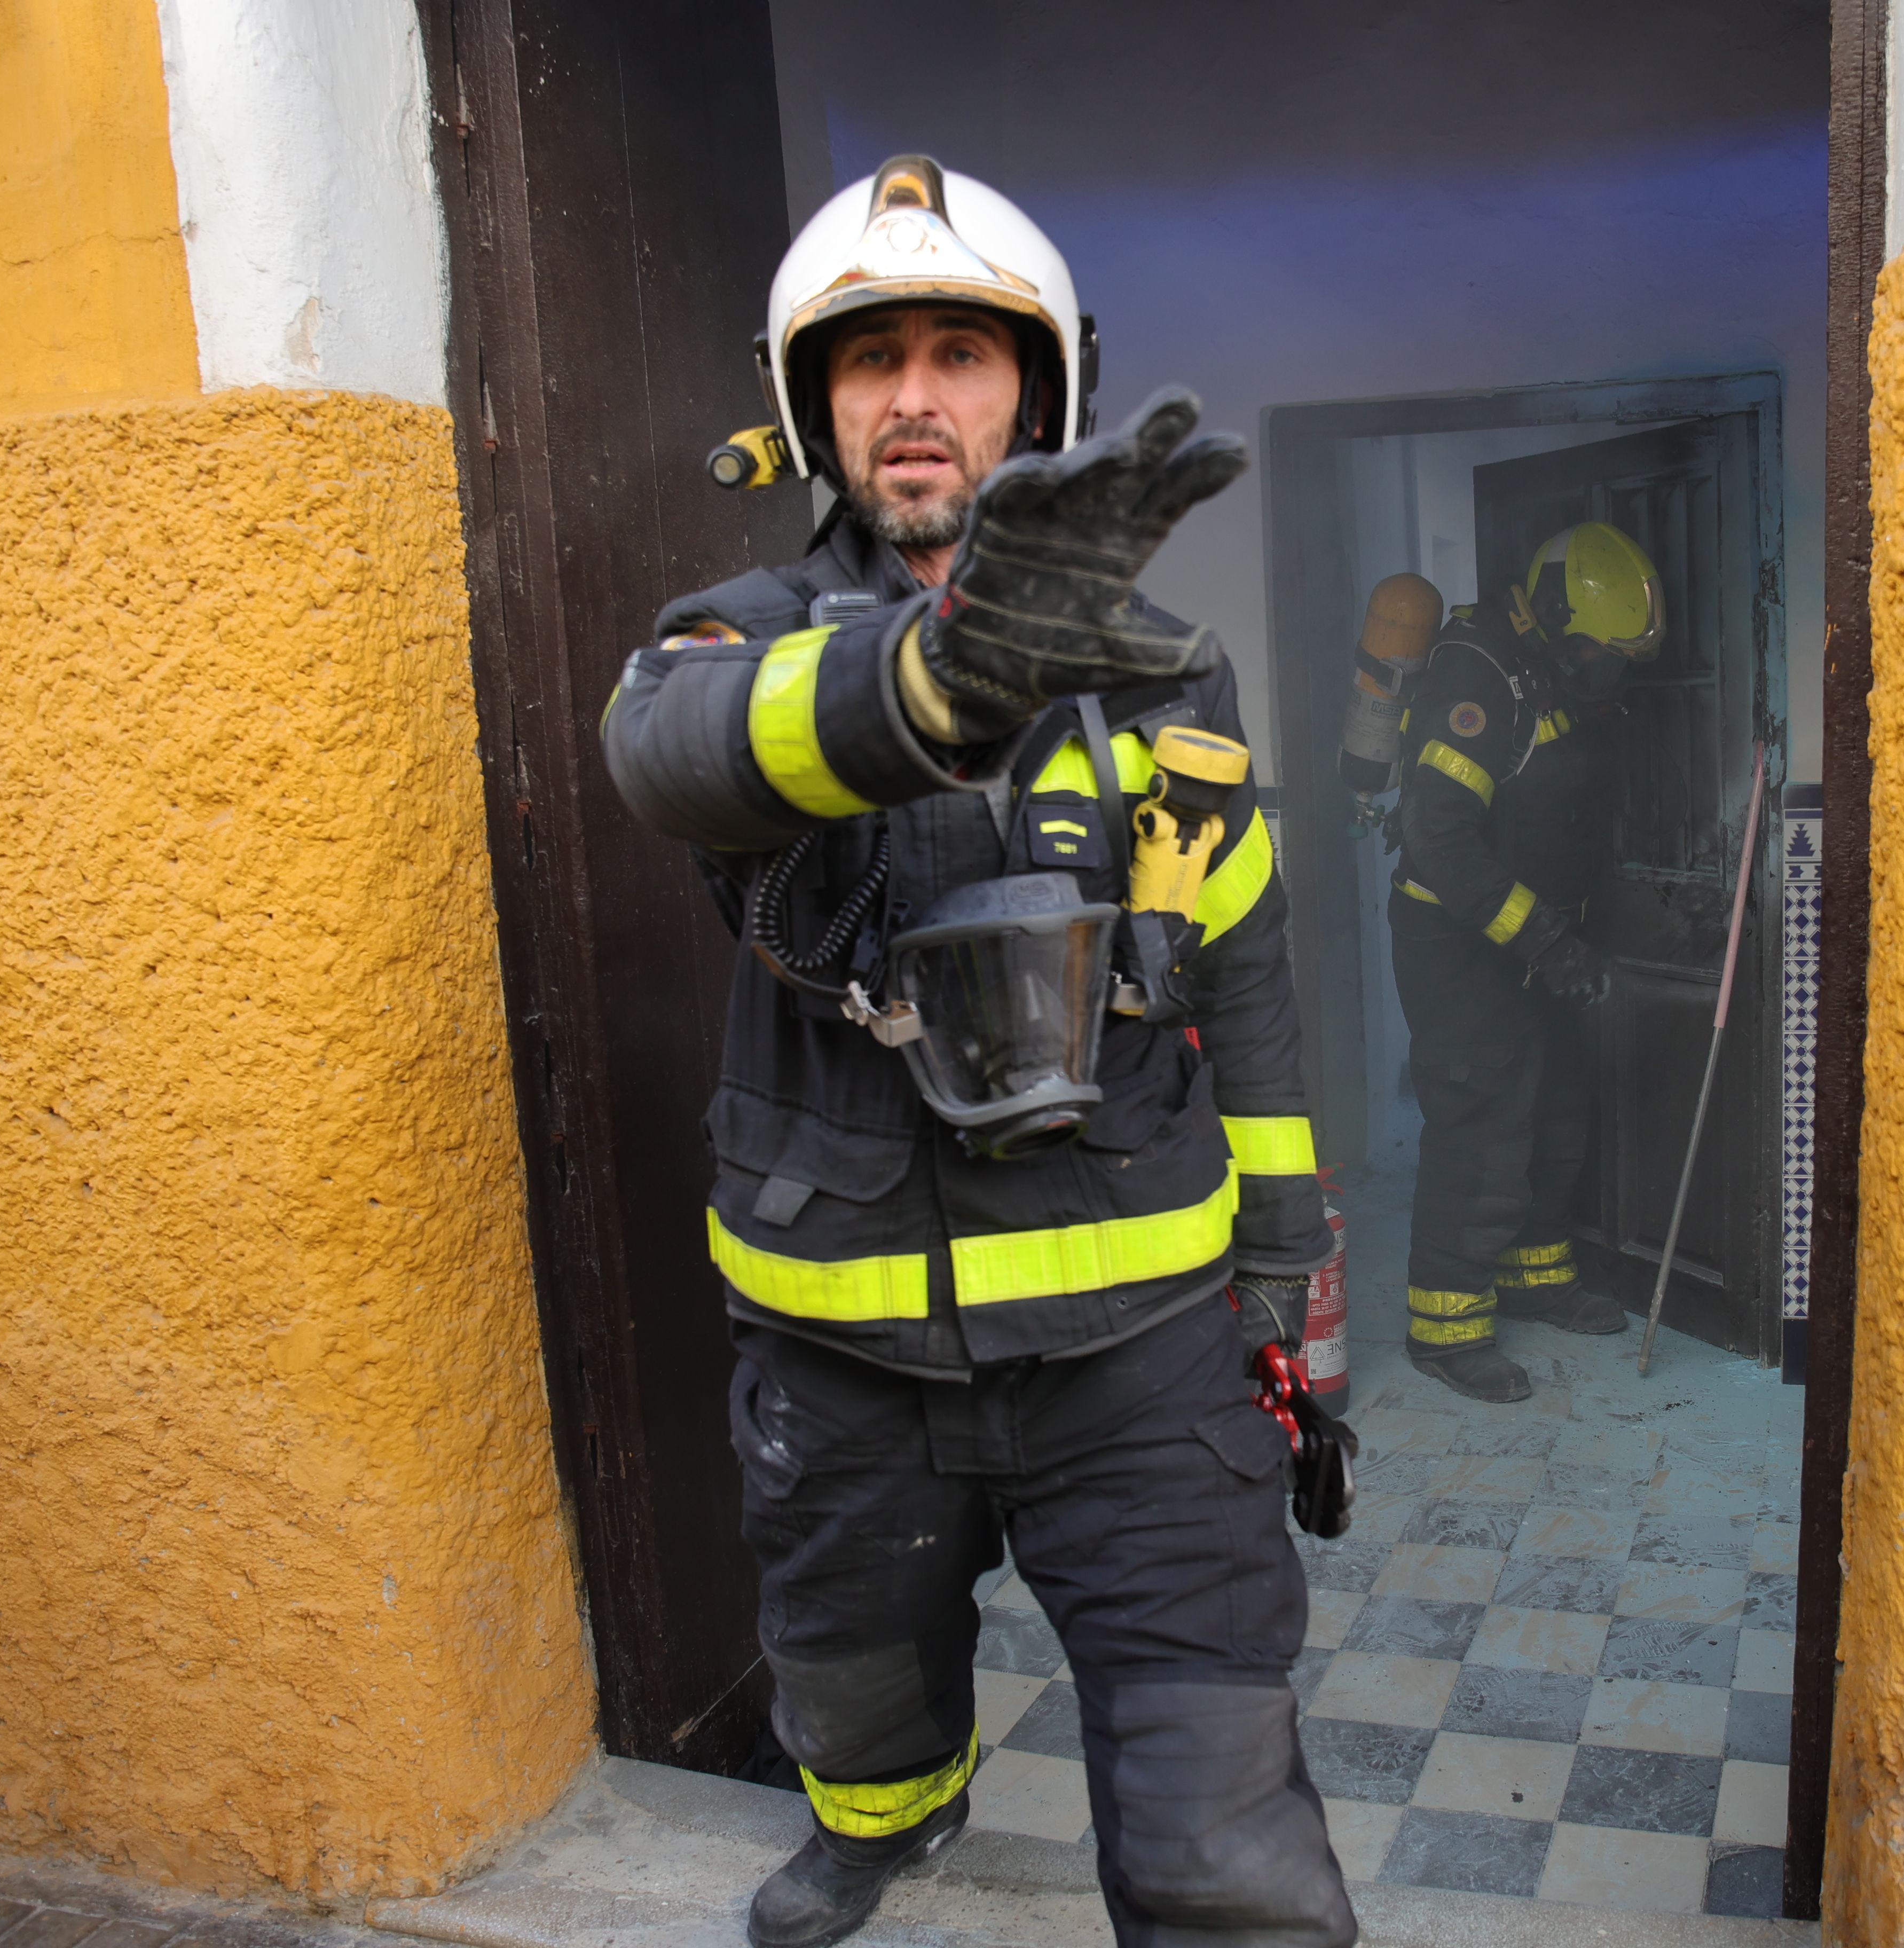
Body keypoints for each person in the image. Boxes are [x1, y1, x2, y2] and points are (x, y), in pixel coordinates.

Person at [600, 156, 1352, 1948]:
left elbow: (1242, 982)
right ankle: (883, 1828)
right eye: (870, 362)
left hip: (1146, 1352)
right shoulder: (745, 632)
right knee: (854, 1692)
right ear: (818, 408)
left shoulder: (1174, 676)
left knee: (1222, 1823)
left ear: (1038, 391)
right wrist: (930, 688)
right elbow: (667, 750)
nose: (917, 396)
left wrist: (1290, 1286)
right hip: (841, 1344)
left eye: (960, 351)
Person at [1381, 523, 1665, 1402]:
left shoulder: (1546, 671)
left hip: (1542, 942)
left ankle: (1539, 1276)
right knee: (1482, 1122)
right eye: (1597, 653)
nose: (1605, 674)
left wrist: (1559, 942)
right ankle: (1448, 1327)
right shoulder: (1478, 676)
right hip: (1461, 943)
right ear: (1548, 614)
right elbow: (1436, 837)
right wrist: (1542, 939)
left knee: (1557, 1107)